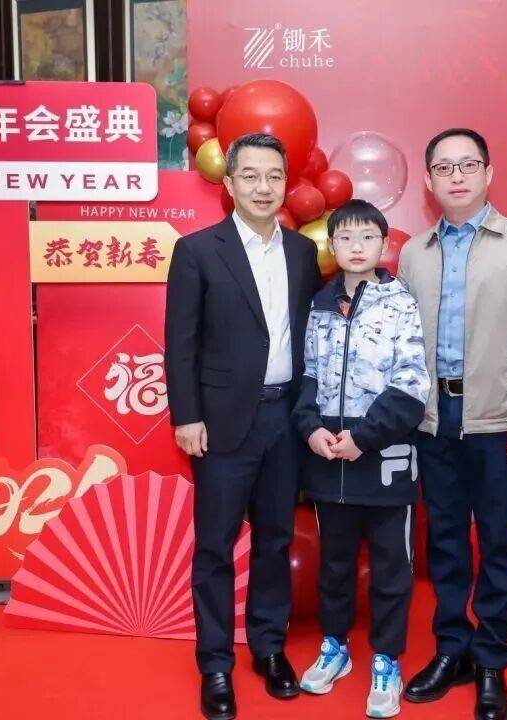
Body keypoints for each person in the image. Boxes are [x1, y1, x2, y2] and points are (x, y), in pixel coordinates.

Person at [397, 128, 507, 720]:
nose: (457, 176)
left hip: (497, 420)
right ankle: (452, 650)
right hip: (433, 419)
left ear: (489, 173)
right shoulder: (415, 253)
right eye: (444, 168)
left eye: (468, 165)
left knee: (496, 543)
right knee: (443, 541)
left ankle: (491, 659)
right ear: (429, 181)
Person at [165, 132, 322, 720]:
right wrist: (187, 415)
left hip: (286, 418)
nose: (263, 187)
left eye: (274, 176)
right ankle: (214, 664)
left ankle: (268, 648)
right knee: (214, 545)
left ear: (286, 184)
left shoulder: (302, 253)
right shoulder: (198, 251)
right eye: (250, 176)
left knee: (276, 539)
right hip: (222, 423)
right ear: (229, 184)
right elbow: (180, 342)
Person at [292, 199, 430, 719]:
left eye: (367, 237)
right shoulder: (319, 304)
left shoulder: (401, 303)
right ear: (332, 245)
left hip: (385, 460)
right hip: (330, 462)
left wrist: (365, 437)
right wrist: (311, 428)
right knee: (335, 565)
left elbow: (411, 385)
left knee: (393, 570)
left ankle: (387, 659)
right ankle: (336, 647)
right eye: (345, 238)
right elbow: (307, 377)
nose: (355, 247)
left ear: (383, 244)